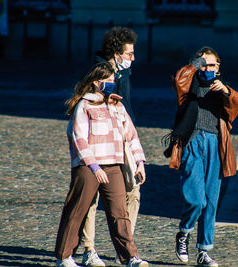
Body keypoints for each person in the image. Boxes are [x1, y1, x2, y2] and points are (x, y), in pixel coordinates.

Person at [55, 62, 148, 267]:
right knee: (77, 209)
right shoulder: (84, 105)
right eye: (108, 81)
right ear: (97, 83)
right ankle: (64, 257)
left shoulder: (117, 106)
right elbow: (79, 138)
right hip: (88, 167)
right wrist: (93, 166)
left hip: (114, 165)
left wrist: (140, 161)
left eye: (113, 81)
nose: (112, 84)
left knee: (119, 213)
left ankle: (131, 257)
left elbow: (131, 136)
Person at [164, 47, 238, 266]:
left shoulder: (222, 88)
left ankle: (203, 251)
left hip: (216, 144)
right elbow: (179, 80)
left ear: (219, 67)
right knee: (196, 199)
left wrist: (226, 91)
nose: (209, 68)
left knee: (211, 201)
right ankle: (184, 232)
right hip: (192, 142)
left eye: (213, 65)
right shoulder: (189, 84)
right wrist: (196, 64)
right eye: (205, 64)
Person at [81, 27, 140, 266]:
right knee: (91, 197)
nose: (132, 59)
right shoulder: (97, 72)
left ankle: (125, 246)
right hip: (98, 139)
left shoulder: (124, 73)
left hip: (123, 138)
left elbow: (126, 107)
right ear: (115, 53)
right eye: (129, 54)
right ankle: (88, 249)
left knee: (133, 190)